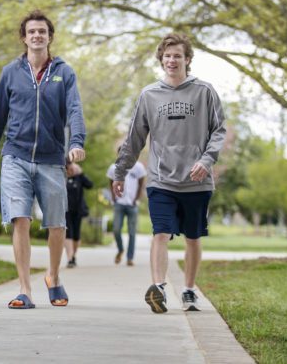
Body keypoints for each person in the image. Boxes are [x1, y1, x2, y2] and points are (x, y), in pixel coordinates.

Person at [0, 10, 86, 309]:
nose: (37, 35)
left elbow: (75, 110)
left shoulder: (65, 72)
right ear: (23, 38)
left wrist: (76, 142)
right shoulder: (11, 73)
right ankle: (24, 289)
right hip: (15, 156)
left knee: (57, 224)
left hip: (51, 159)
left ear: (50, 37)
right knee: (19, 218)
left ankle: (53, 275)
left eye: (42, 31)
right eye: (32, 31)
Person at [112, 33, 226, 313]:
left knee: (192, 237)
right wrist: (120, 171)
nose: (172, 60)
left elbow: (218, 130)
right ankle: (159, 288)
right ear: (161, 60)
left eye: (177, 55)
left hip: (196, 182)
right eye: (167, 56)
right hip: (161, 179)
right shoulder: (149, 95)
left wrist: (206, 160)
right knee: (160, 233)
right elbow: (134, 138)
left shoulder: (204, 92)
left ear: (188, 59)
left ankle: (188, 291)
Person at [106, 158, 146, 266]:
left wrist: (137, 199)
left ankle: (130, 258)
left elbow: (141, 184)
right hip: (119, 203)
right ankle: (120, 249)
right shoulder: (113, 167)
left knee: (132, 232)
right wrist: (113, 197)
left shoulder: (138, 167)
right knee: (116, 229)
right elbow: (110, 183)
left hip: (132, 204)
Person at [65, 162, 93, 268]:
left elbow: (90, 185)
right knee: (68, 233)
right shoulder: (63, 178)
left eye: (72, 168)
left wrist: (81, 173)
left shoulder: (79, 178)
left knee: (76, 235)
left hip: (78, 211)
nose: (70, 170)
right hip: (66, 210)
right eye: (68, 168)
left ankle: (73, 256)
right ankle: (70, 258)